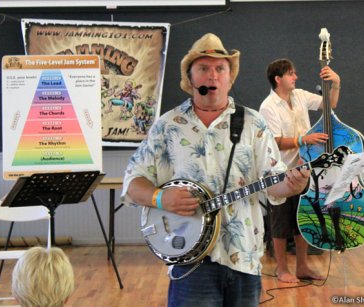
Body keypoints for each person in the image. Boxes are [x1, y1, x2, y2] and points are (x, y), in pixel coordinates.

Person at [121, 33, 310, 306]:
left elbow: (273, 183)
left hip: (244, 258)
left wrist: (295, 184)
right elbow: (132, 181)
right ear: (190, 80)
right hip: (190, 262)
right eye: (204, 68)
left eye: (220, 68)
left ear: (230, 78)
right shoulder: (168, 125)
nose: (213, 75)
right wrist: (160, 198)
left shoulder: (253, 124)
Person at [259, 58, 341, 283]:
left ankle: (302, 267)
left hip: (304, 171)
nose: (296, 77)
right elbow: (274, 142)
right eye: (291, 74)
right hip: (279, 174)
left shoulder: (300, 96)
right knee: (280, 224)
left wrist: (336, 83)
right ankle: (282, 269)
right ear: (278, 79)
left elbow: (329, 104)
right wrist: (303, 140)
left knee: (303, 219)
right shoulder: (268, 106)